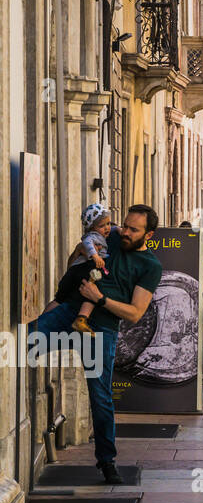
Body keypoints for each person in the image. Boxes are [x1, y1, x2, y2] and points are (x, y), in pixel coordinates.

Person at [28, 204, 163, 484]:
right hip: (71, 310)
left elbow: (135, 313)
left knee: (100, 397)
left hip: (101, 329)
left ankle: (106, 461)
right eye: (124, 225)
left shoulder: (150, 266)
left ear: (148, 235)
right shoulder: (109, 236)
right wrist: (78, 263)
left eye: (132, 230)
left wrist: (99, 298)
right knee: (22, 344)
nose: (123, 232)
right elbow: (76, 260)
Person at [69, 204, 114, 334]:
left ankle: (82, 318)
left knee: (62, 297)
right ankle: (81, 319)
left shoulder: (103, 236)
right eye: (102, 226)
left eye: (108, 224)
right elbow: (87, 244)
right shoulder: (93, 237)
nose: (107, 228)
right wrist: (95, 256)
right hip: (82, 269)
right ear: (91, 228)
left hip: (81, 270)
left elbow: (114, 229)